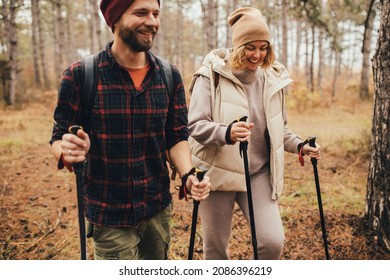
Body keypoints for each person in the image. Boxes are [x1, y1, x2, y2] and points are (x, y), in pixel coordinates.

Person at [50, 0, 210, 260]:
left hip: (157, 207)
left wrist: (188, 174)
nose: (152, 21)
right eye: (141, 13)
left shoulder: (170, 75)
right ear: (115, 19)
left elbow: (176, 136)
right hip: (108, 212)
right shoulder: (80, 75)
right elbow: (58, 137)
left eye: (156, 14)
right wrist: (69, 150)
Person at [187, 7, 321, 260]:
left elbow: (278, 129)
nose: (257, 54)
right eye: (250, 47)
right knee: (215, 248)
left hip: (258, 174)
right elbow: (194, 125)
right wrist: (226, 132)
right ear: (238, 46)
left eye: (263, 47)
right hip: (218, 172)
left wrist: (300, 145)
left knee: (272, 242)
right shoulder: (212, 75)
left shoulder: (272, 79)